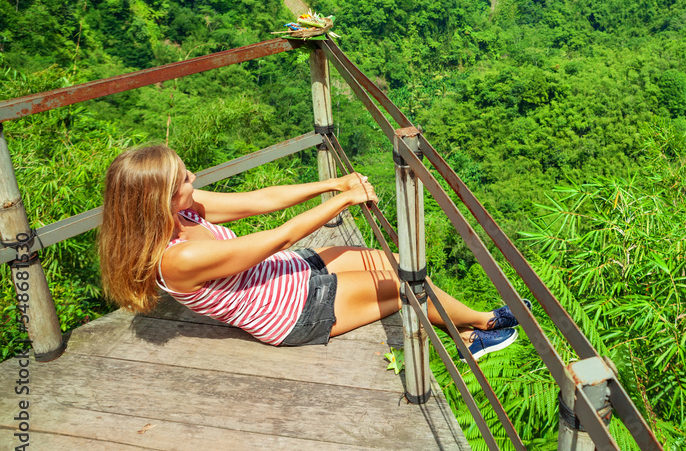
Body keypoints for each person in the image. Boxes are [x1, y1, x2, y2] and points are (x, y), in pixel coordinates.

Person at [97, 144, 522, 360]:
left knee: (387, 262)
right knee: (400, 283)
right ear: (158, 201)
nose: (194, 178)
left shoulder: (184, 211)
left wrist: (331, 184)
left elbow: (259, 200)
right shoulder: (178, 259)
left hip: (285, 273)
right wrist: (343, 201)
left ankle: (465, 329)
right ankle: (480, 330)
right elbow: (279, 237)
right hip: (291, 313)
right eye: (184, 179)